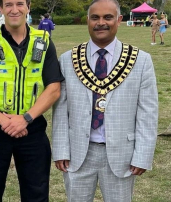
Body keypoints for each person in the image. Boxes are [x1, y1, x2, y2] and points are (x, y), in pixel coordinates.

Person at [52, 0, 158, 201]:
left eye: (108, 17)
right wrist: (60, 150)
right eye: (95, 17)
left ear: (119, 20)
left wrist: (143, 155)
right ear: (88, 21)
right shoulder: (68, 59)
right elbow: (60, 110)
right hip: (78, 153)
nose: (101, 23)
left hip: (122, 154)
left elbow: (148, 113)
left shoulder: (140, 60)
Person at [0, 0, 64, 201]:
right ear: (1, 9)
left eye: (19, 3)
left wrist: (25, 118)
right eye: (8, 4)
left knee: (36, 193)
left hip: (32, 127)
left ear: (28, 7)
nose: (14, 9)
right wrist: (5, 121)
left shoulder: (43, 41)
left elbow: (53, 88)